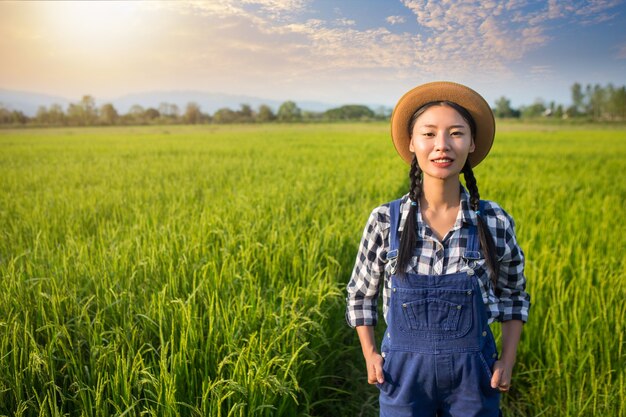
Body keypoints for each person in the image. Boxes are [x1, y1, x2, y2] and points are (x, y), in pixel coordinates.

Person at [345, 81, 530, 417]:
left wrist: (507, 359)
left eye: (456, 133)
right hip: (402, 379)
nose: (442, 145)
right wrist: (370, 353)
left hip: (474, 381)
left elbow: (514, 295)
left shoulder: (493, 220)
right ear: (412, 143)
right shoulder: (386, 221)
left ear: (472, 143)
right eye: (429, 134)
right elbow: (360, 294)